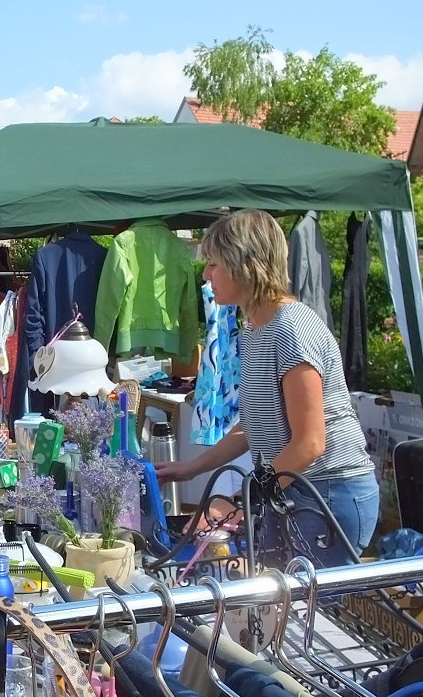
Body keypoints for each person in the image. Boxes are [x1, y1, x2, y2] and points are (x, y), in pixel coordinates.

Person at [156, 209, 378, 567]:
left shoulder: (291, 329)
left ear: (245, 264)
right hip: (293, 490)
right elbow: (251, 426)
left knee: (307, 617)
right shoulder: (255, 329)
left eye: (214, 264)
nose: (205, 274)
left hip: (329, 493)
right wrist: (191, 469)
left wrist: (242, 502)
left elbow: (310, 443)